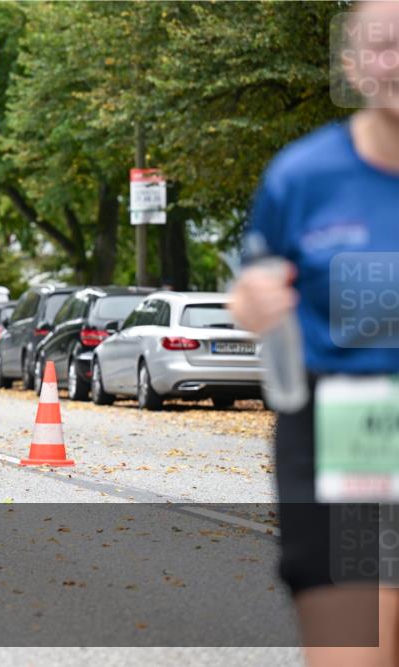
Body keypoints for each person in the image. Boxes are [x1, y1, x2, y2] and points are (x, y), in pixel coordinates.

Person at [229, 4, 399, 665]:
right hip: (350, 430)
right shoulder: (302, 177)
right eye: (382, 46)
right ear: (352, 67)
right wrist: (252, 304)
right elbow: (253, 289)